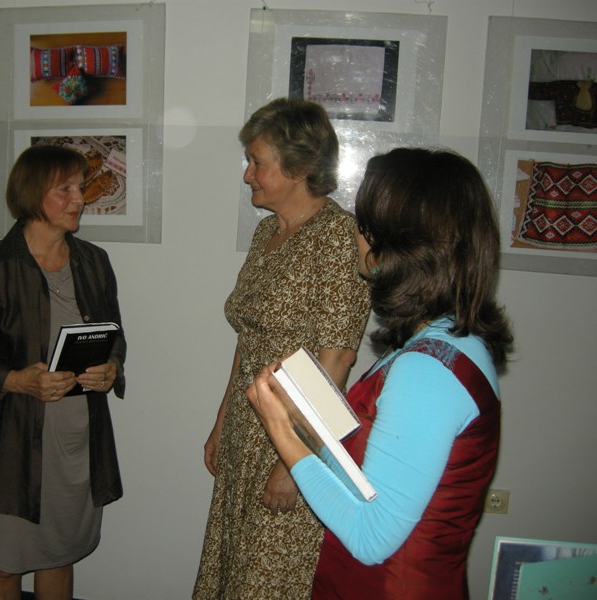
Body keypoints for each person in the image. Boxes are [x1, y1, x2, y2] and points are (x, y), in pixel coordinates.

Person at [247, 148, 514, 599]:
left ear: (398, 242)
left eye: (364, 221)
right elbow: (375, 468)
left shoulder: (427, 370)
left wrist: (283, 433)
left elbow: (370, 537)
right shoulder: (445, 338)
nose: (355, 232)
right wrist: (308, 414)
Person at [193, 98, 371, 599]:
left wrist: (296, 463)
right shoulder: (266, 233)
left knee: (267, 581)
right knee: (234, 572)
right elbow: (249, 338)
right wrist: (222, 421)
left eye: (257, 162)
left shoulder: (337, 238)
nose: (247, 174)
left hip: (293, 435)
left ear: (299, 167)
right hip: (247, 428)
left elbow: (337, 359)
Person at [0, 144, 126, 600]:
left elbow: (115, 335)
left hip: (79, 440)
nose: (79, 199)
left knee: (60, 554)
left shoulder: (94, 261)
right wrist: (16, 380)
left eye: (80, 188)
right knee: (7, 563)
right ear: (31, 194)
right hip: (16, 443)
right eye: (65, 189)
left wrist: (112, 367)